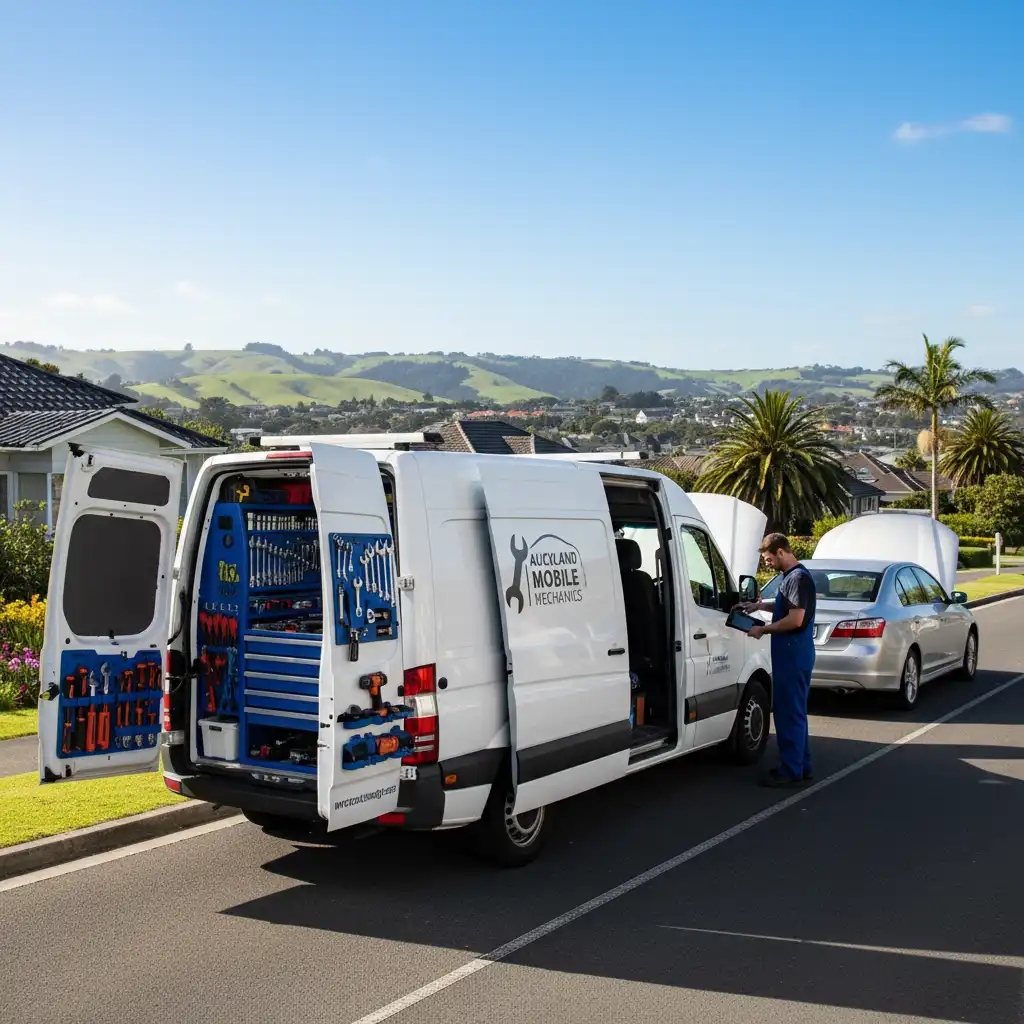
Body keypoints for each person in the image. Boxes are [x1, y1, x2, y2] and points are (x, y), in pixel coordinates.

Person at [738, 533, 816, 787]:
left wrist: (762, 629)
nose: (767, 563)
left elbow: (795, 619)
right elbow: (787, 605)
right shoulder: (792, 578)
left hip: (793, 654)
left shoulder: (797, 578)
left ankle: (790, 769)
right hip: (795, 653)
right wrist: (758, 608)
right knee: (796, 711)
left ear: (781, 552)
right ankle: (801, 765)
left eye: (769, 558)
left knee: (788, 712)